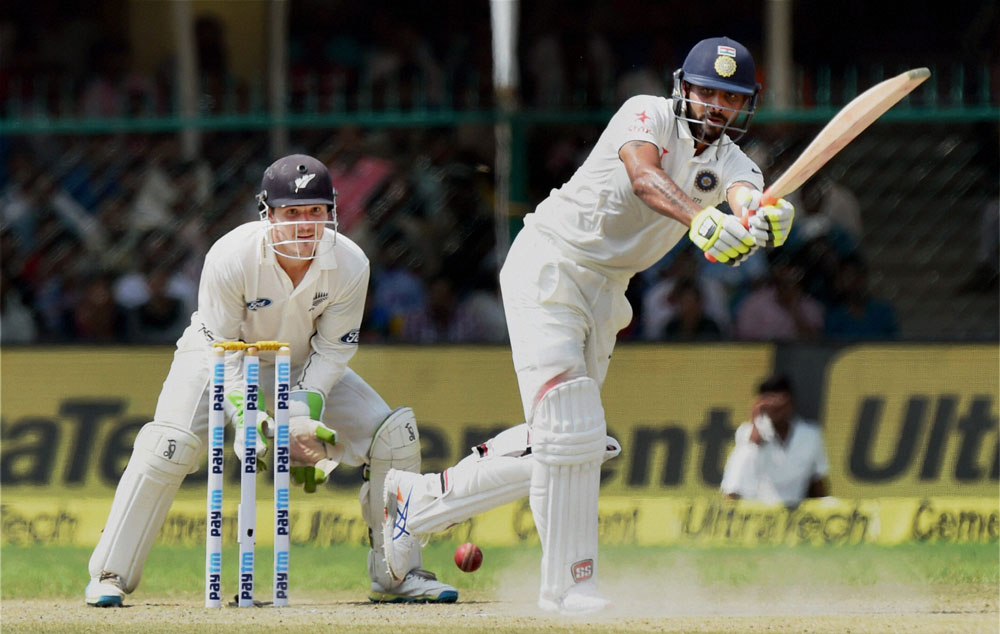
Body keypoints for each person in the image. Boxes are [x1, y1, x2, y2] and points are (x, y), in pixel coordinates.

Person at [381, 36, 796, 615]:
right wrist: (702, 221)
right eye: (707, 91)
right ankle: (568, 588)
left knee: (568, 439)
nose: (715, 107)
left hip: (606, 292)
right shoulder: (645, 112)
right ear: (684, 87)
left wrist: (763, 217)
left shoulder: (730, 158)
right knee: (571, 423)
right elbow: (644, 178)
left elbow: (746, 194)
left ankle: (416, 503)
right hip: (551, 262)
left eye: (729, 98)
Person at [85, 154, 457, 607]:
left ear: (331, 212)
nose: (305, 226)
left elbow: (335, 348)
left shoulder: (350, 262)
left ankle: (397, 573)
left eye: (315, 212)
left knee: (394, 438)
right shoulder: (231, 256)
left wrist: (301, 413)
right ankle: (109, 575)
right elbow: (222, 345)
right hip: (214, 358)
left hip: (300, 363)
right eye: (292, 213)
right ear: (268, 212)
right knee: (169, 445)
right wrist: (247, 418)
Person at [720, 374, 830, 506]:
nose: (776, 408)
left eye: (780, 402)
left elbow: (817, 482)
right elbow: (735, 479)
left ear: (791, 402)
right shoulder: (747, 432)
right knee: (743, 452)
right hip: (755, 510)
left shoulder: (811, 435)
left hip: (793, 513)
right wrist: (756, 420)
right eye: (769, 402)